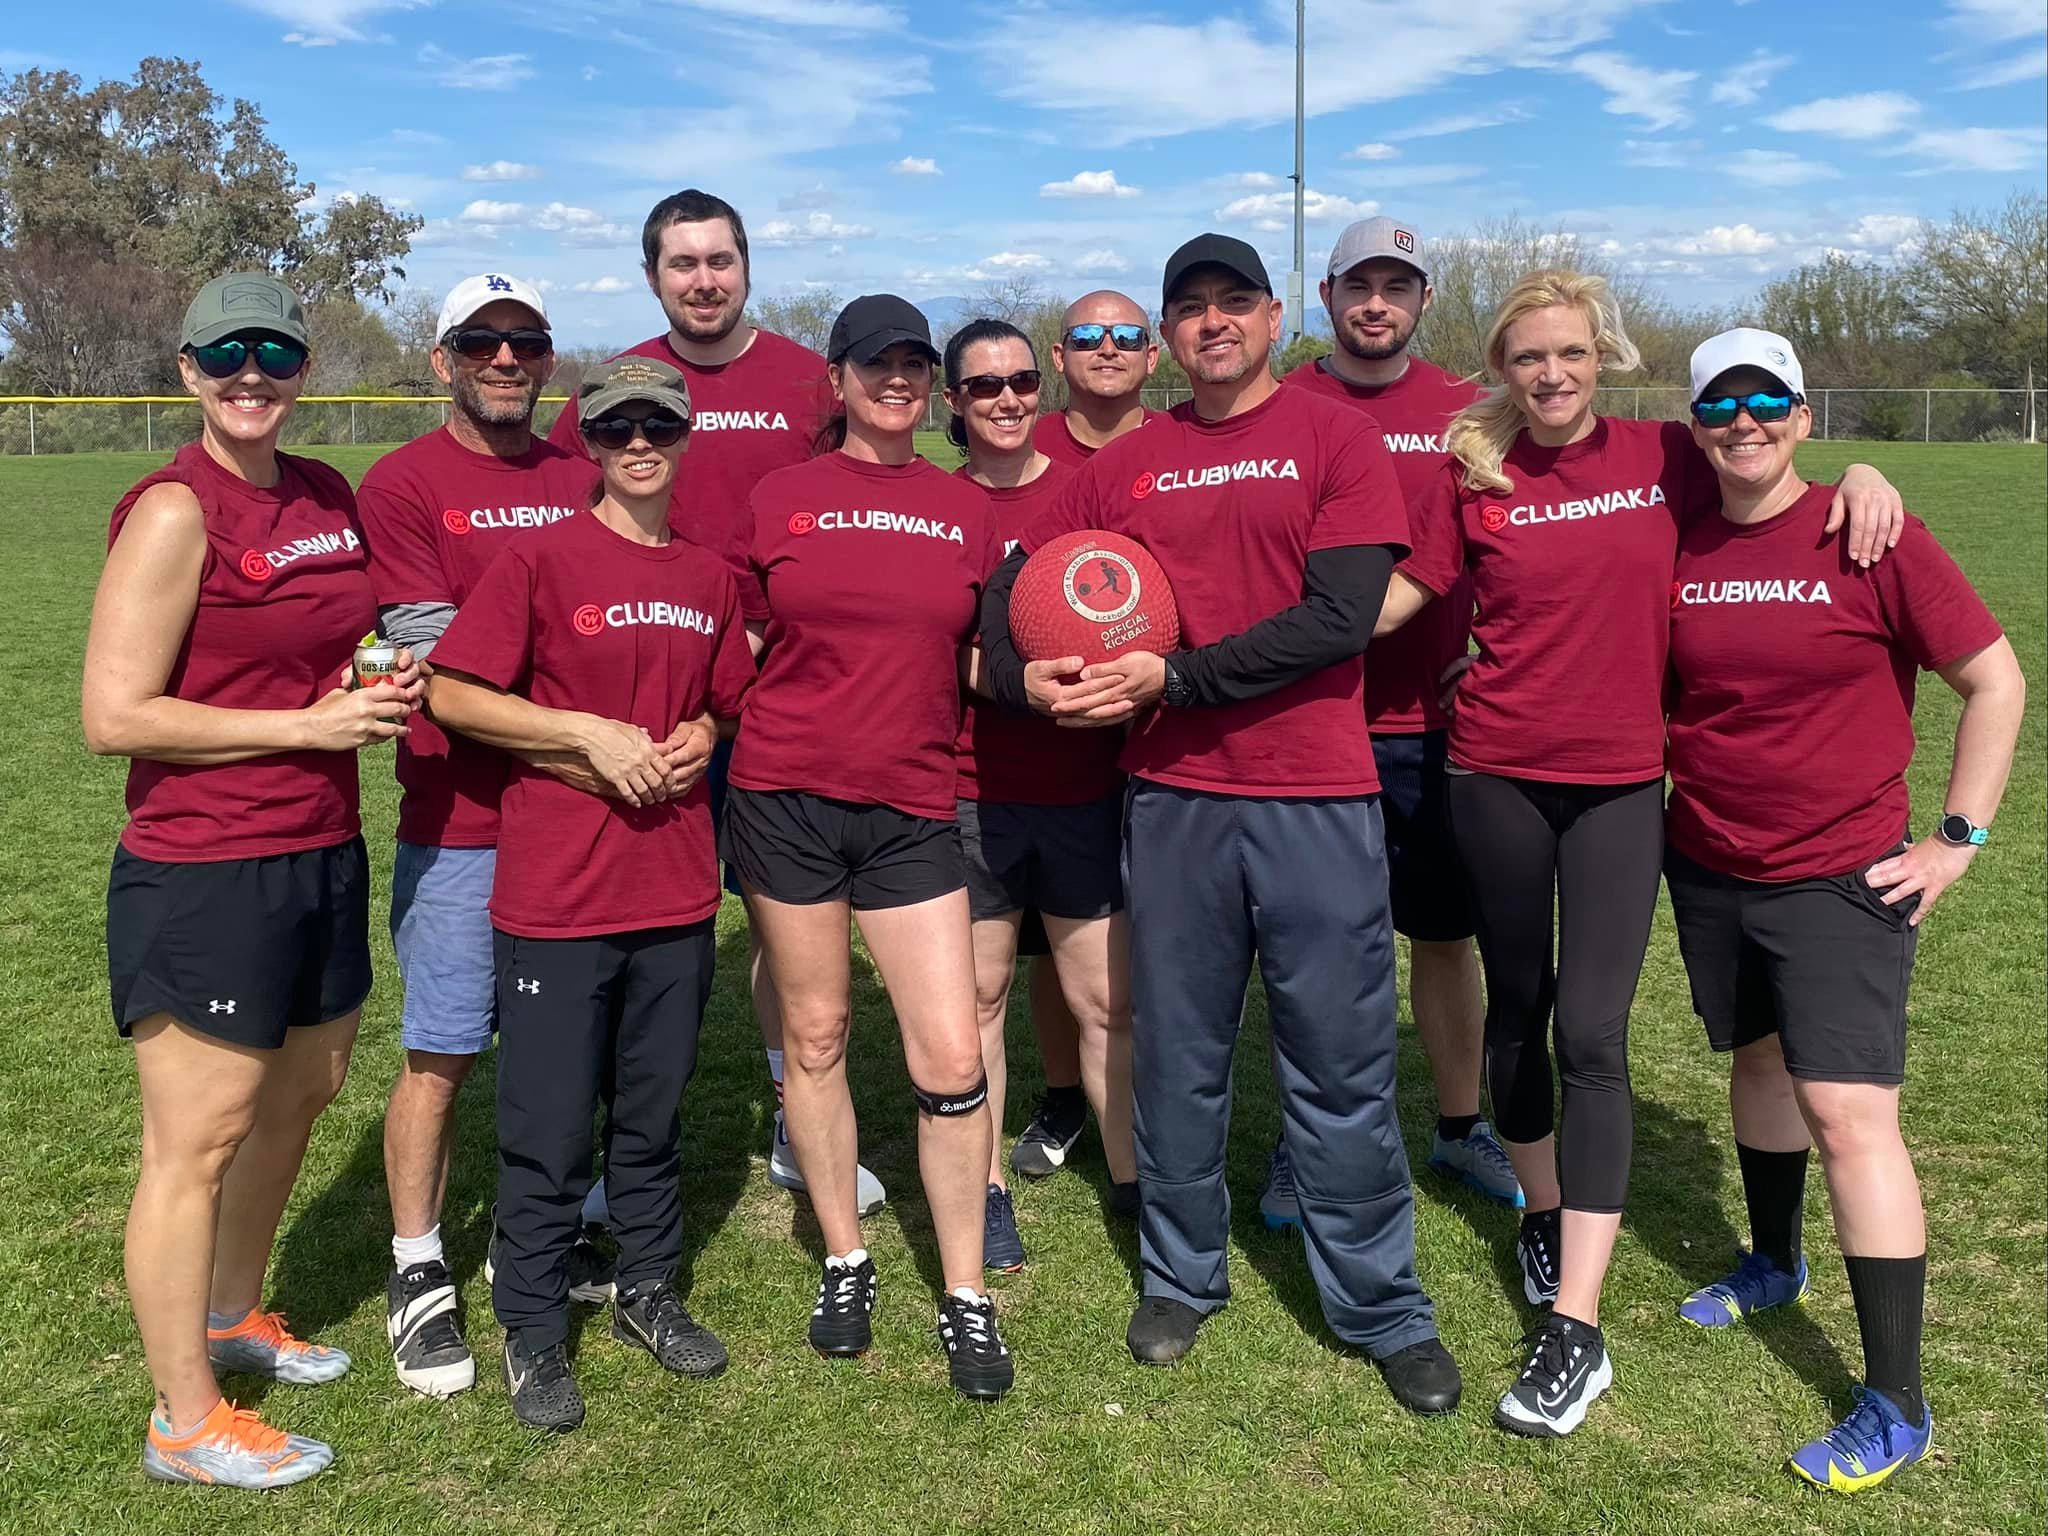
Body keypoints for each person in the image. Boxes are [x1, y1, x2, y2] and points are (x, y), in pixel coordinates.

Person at [1379, 269, 1904, 1437]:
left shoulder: (1664, 454)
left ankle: (1574, 1325)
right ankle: (1541, 1207)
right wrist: (1255, 653)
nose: (1550, 374)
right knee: (1518, 1005)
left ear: (1601, 357)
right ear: (1501, 368)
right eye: (1527, 357)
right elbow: (1405, 593)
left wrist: (1866, 475)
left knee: (1591, 1033)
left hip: (1620, 785)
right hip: (1492, 775)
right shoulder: (1471, 473)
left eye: (1569, 353)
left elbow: (1775, 475)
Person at [982, 234, 1461, 1417]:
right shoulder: (1130, 461)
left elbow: (1339, 617)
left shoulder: (1333, 438)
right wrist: (1024, 676)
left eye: (1232, 302)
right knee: (1181, 1057)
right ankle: (1180, 1276)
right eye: (1188, 306)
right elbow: (1013, 581)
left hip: (1313, 797)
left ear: (1270, 317)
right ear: (1166, 332)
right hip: (1174, 802)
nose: (1211, 322)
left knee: (1340, 1063)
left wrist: (1175, 680)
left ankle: (1381, 1307)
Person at [1661, 329, 2022, 1492]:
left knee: (1848, 1115)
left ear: (1804, 418)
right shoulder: (1674, 536)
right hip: (1708, 862)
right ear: (1694, 426)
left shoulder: (1866, 530)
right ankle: (1772, 1261)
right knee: (1758, 1063)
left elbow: (1993, 679)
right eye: (1721, 405)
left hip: (1840, 875)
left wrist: (1955, 837)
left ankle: (1896, 1402)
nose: (1744, 422)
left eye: (1766, 401)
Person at [83, 272, 422, 1486]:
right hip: (205, 864)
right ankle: (183, 1420)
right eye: (225, 355)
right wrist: (304, 727)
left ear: (302, 369)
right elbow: (114, 715)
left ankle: (232, 1313)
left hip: (320, 845)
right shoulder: (177, 510)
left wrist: (373, 676)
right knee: (199, 1139)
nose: (251, 376)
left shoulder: (323, 491)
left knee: (304, 1091)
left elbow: (339, 636)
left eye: (274, 354)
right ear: (188, 369)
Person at [428, 356, 753, 1432]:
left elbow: (726, 701)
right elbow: (454, 693)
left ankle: (648, 1286)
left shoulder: (709, 575)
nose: (639, 444)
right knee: (549, 1124)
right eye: (616, 429)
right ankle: (530, 1324)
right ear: (591, 443)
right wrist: (582, 733)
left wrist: (702, 730)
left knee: (651, 1115)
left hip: (673, 889)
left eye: (657, 425)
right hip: (560, 895)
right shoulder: (539, 557)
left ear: (684, 435)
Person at [547, 188, 885, 1217]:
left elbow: (852, 516)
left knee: (788, 924)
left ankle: (794, 1115)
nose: (704, 280)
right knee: (630, 933)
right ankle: (620, 1148)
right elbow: (569, 540)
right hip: (647, 706)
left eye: (719, 260)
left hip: (785, 699)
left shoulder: (806, 382)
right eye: (682, 263)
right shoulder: (613, 387)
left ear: (746, 265)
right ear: (652, 276)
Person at [724, 295, 1014, 1401]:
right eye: (876, 363)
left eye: (914, 365)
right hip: (785, 796)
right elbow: (742, 639)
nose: (897, 380)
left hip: (910, 806)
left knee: (949, 1057)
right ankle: (845, 1258)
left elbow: (979, 654)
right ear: (837, 378)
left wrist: (1050, 683)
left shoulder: (964, 508)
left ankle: (964, 1290)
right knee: (815, 1033)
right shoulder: (779, 495)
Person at [356, 272, 611, 1398]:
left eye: (526, 341)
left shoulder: (583, 470)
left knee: (570, 1043)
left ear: (548, 358)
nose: (505, 359)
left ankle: (537, 1231)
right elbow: (434, 650)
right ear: (443, 359)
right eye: (480, 341)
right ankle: (418, 1261)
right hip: (459, 816)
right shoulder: (403, 482)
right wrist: (588, 666)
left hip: (574, 814)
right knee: (444, 1049)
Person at [1260, 216, 1520, 1228]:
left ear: (1423, 299)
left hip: (1445, 725)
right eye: (1357, 286)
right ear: (1325, 296)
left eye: (1396, 286)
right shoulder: (1283, 404)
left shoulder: (1473, 409)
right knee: (1320, 950)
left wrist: (1503, 648)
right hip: (1317, 722)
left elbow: (1538, 532)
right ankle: (1304, 1141)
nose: (1376, 304)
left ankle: (1459, 1127)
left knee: (1445, 939)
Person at [942, 318, 1137, 1269]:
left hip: (1083, 786)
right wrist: (1014, 682)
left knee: (1106, 1003)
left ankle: (1138, 1186)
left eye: (1021, 380)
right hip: (970, 787)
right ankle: (985, 1191)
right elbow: (931, 643)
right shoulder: (935, 505)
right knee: (978, 1000)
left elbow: (1146, 612)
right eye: (984, 386)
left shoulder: (1091, 491)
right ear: (954, 401)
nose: (1008, 399)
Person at [1008, 288, 1160, 1182]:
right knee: (1052, 940)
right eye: (1088, 336)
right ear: (1059, 356)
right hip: (1050, 747)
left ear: (1153, 354)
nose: (1109, 347)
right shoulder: (1026, 450)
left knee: (1144, 944)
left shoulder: (1180, 448)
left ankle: (1155, 1106)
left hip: (1163, 738)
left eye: (1127, 334)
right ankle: (1064, 1093)